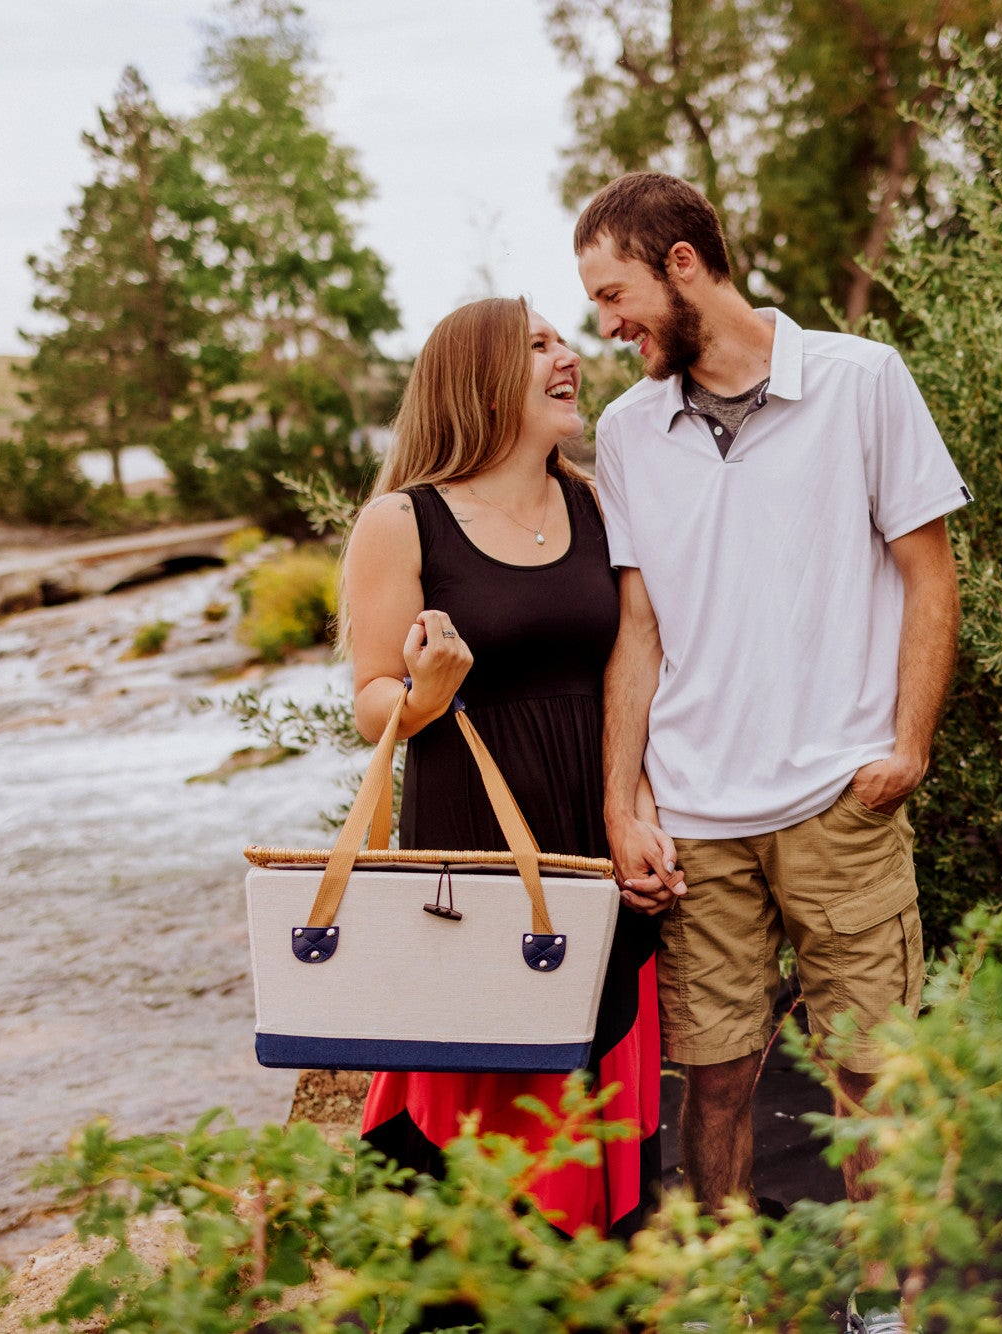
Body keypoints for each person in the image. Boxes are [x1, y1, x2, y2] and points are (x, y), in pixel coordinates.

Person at [579, 172, 968, 1330]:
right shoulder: (624, 430)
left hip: (836, 800)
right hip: (697, 817)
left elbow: (928, 572)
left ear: (682, 262)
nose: (607, 326)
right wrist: (621, 803)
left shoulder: (860, 381)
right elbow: (637, 628)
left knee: (868, 1076)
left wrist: (907, 745)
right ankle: (734, 1304)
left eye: (615, 294)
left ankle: (880, 1310)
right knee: (713, 1075)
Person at [336, 295, 662, 1241]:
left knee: (597, 1076)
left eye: (566, 339)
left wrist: (636, 807)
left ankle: (598, 1284)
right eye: (538, 344)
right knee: (498, 1108)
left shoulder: (598, 505)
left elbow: (630, 674)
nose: (569, 354)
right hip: (478, 854)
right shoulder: (403, 523)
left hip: (593, 842)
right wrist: (425, 691)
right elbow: (370, 703)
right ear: (477, 377)